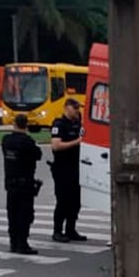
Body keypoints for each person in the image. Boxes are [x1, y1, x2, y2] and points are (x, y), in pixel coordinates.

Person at [1, 114, 42, 255]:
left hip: (10, 184)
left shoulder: (6, 140)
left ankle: (13, 243)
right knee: (24, 215)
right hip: (24, 185)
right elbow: (38, 155)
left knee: (12, 214)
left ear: (14, 124)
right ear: (26, 125)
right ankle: (22, 244)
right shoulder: (27, 142)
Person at [49, 98, 87, 243]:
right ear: (66, 107)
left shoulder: (78, 124)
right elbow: (56, 146)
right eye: (74, 107)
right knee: (63, 201)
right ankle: (57, 231)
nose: (77, 110)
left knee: (75, 201)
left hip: (76, 167)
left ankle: (70, 229)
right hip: (62, 168)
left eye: (78, 108)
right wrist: (77, 142)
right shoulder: (59, 124)